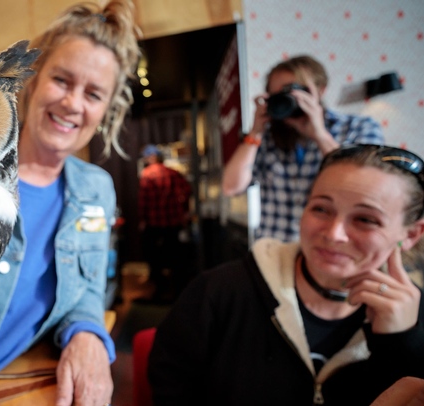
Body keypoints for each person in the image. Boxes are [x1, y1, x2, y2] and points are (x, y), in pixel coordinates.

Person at [0, 2, 141, 405]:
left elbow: (87, 291)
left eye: (93, 93)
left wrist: (87, 334)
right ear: (34, 79)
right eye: (62, 80)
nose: (73, 103)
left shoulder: (96, 190)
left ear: (106, 110)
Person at [149, 144, 424, 405]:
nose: (333, 233)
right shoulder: (218, 291)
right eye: (321, 208)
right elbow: (170, 386)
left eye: (365, 219)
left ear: (411, 234)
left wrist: (400, 344)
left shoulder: (415, 320)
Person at [221, 55, 384, 242]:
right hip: (275, 251)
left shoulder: (359, 128)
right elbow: (231, 187)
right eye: (278, 95)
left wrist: (320, 135)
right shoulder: (266, 137)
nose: (288, 100)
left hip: (331, 248)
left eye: (294, 91)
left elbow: (366, 186)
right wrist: (255, 132)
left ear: (320, 90)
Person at [137, 144, 192, 302]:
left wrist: (142, 220)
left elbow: (143, 202)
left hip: (154, 224)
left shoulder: (147, 174)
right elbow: (188, 190)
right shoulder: (174, 173)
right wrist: (184, 210)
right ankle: (177, 293)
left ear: (152, 157)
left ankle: (159, 292)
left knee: (155, 259)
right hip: (174, 223)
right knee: (176, 258)